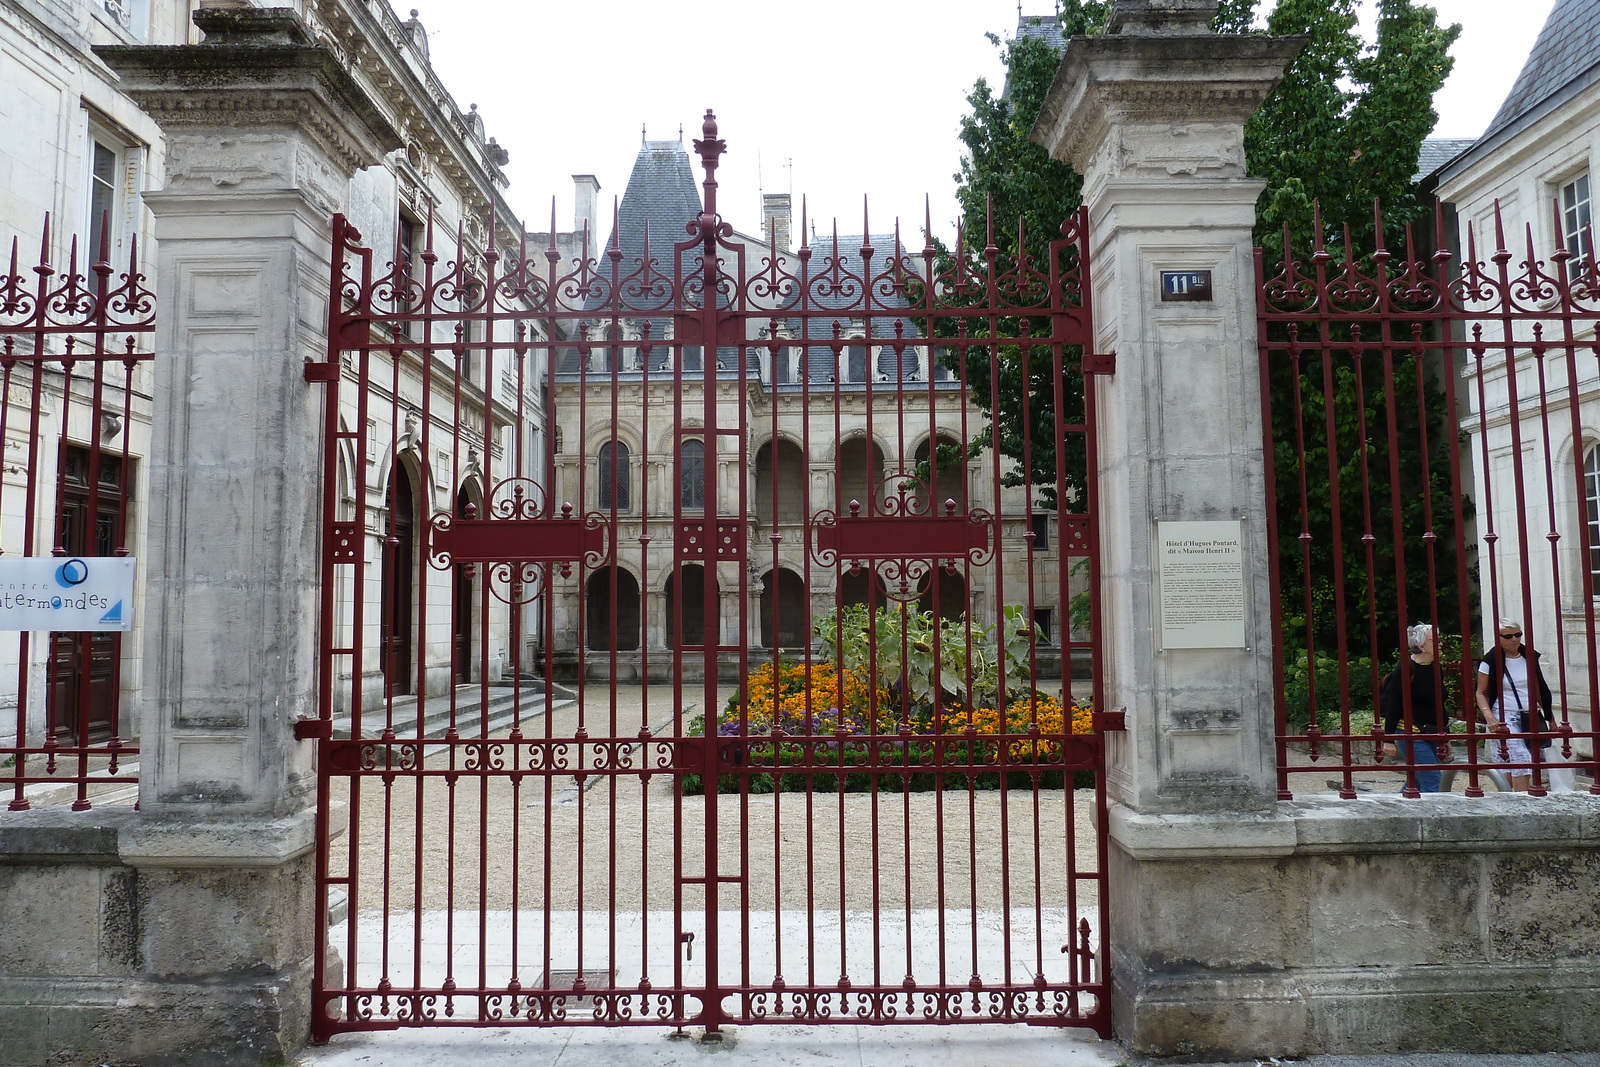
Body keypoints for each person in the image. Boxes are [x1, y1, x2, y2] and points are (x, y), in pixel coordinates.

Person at [1474, 619, 1555, 792]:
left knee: (1509, 766)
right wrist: (1489, 717)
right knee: (1521, 759)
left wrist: (1550, 718)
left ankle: (1505, 801)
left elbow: (1539, 689)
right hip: (1504, 716)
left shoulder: (1529, 657)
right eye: (1508, 636)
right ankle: (1522, 803)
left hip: (1529, 714)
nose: (1514, 639)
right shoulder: (1490, 660)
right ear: (1499, 638)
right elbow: (1480, 692)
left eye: (1518, 635)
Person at [1378, 623, 1450, 793]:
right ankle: (1435, 818)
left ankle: (1396, 810)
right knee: (1433, 779)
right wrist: (1388, 739)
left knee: (1416, 782)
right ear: (1421, 645)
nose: (1441, 643)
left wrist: (1445, 736)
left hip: (1431, 731)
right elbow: (1394, 704)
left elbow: (1438, 703)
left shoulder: (1435, 667)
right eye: (1437, 639)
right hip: (1410, 733)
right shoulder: (1406, 669)